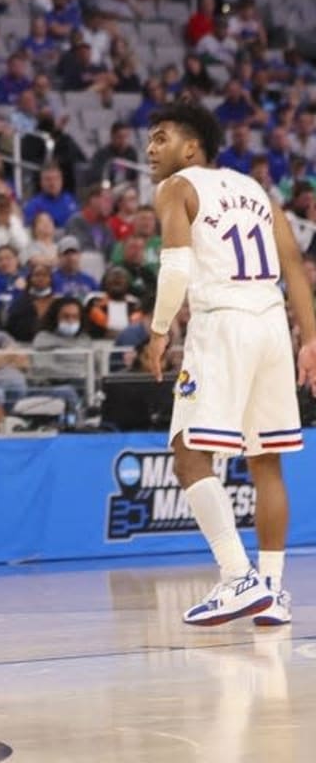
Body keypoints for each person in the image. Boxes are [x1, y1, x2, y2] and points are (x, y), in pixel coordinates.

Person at [144, 100, 316, 628]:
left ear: (191, 147)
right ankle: (271, 589)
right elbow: (293, 266)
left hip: (222, 323)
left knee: (188, 453)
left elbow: (175, 268)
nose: (151, 149)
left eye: (161, 137)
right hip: (269, 324)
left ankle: (236, 576)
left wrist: (157, 330)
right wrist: (309, 339)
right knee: (266, 461)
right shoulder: (256, 190)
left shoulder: (177, 187)